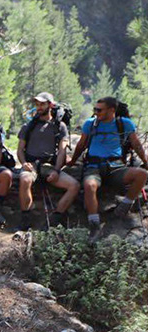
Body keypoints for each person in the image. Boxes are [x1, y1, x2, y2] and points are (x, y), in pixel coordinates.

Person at [68, 96, 148, 243]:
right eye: (95, 109)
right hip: (93, 167)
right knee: (90, 185)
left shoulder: (124, 124)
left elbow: (136, 144)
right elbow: (80, 145)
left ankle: (123, 208)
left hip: (116, 167)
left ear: (111, 110)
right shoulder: (90, 124)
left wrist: (145, 161)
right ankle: (94, 224)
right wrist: (72, 161)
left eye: (99, 110)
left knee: (142, 174)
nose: (96, 112)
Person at [16, 92, 79, 230]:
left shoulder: (60, 126)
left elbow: (62, 151)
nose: (39, 107)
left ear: (50, 105)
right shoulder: (28, 126)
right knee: (25, 180)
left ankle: (55, 219)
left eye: (42, 104)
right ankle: (25, 218)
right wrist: (24, 163)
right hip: (32, 164)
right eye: (37, 104)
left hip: (49, 166)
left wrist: (56, 170)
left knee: (74, 186)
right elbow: (20, 149)